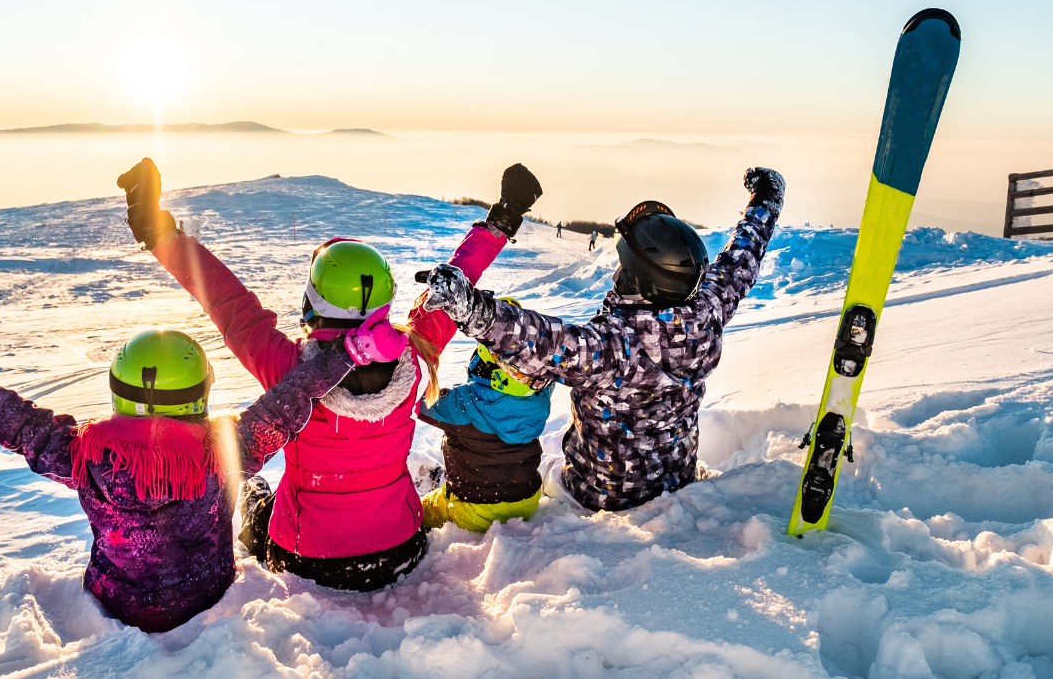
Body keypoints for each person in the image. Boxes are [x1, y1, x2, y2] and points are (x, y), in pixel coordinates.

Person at [116, 158, 542, 590]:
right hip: (400, 548)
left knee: (255, 497)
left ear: (313, 301)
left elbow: (228, 302)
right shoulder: (415, 354)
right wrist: (502, 218)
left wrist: (159, 234)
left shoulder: (288, 370)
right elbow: (454, 285)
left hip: (307, 558)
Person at [0, 323, 395, 632]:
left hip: (117, 602)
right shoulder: (225, 448)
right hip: (209, 595)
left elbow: (4, 414)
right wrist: (348, 354)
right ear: (199, 391)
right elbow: (289, 401)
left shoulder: (83, 452)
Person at [419, 167, 784, 513]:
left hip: (599, 495)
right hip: (676, 478)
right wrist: (765, 201)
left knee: (541, 477)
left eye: (623, 265)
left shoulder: (612, 347)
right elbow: (741, 260)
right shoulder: (708, 310)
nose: (616, 271)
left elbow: (539, 341)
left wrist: (470, 307)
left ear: (640, 280)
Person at [418, 297, 556, 533]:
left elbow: (419, 402)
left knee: (423, 511)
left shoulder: (464, 403)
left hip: (474, 509)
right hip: (526, 500)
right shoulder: (539, 397)